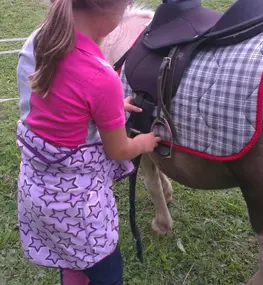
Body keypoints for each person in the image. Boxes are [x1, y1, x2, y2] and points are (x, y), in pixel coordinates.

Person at [16, 0, 161, 284]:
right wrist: (143, 143)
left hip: (37, 192)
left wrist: (111, 107)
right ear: (107, 10)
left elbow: (64, 103)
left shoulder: (41, 40)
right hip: (77, 207)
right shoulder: (101, 76)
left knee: (69, 258)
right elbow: (118, 149)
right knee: (105, 270)